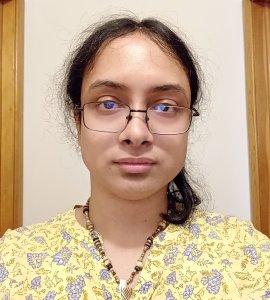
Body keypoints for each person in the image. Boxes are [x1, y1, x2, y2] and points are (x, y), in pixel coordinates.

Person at [0, 16, 269, 300]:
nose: (137, 132)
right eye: (109, 103)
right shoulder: (14, 261)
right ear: (78, 120)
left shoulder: (247, 256)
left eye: (165, 107)